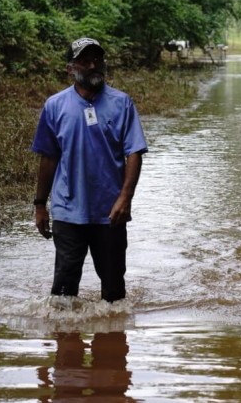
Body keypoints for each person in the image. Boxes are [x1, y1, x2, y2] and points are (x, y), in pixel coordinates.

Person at [32, 37, 148, 303]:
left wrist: (125, 198)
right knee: (62, 294)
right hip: (67, 210)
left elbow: (134, 152)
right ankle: (65, 341)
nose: (94, 65)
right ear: (70, 68)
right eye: (85, 60)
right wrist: (40, 204)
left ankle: (112, 341)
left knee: (114, 295)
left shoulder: (122, 103)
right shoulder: (54, 106)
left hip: (110, 212)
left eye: (98, 59)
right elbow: (48, 158)